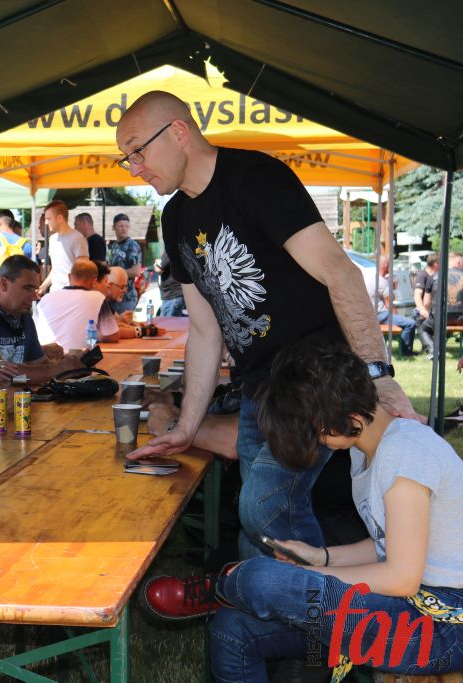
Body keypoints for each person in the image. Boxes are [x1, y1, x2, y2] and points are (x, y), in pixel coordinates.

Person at [117, 90, 417, 572]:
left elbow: (341, 273)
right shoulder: (175, 218)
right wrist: (187, 426)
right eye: (126, 157)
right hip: (258, 389)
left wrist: (377, 375)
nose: (133, 168)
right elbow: (204, 329)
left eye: (137, 151)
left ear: (178, 132)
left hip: (314, 379)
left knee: (265, 506)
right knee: (262, 518)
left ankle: (310, 605)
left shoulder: (257, 179)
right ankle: (271, 608)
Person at [149, 343, 463, 681]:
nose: (317, 440)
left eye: (316, 431)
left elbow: (402, 577)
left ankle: (223, 588)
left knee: (265, 578)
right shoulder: (367, 450)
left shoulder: (406, 454)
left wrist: (311, 577)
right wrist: (321, 556)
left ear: (351, 421)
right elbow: (388, 544)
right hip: (407, 611)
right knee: (233, 628)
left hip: (441, 627)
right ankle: (237, 589)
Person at [0, 255, 83, 383]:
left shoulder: (23, 317)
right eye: (27, 288)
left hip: (18, 394)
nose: (34, 297)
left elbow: (40, 364)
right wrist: (59, 369)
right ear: (4, 284)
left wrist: (71, 366)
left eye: (35, 289)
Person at [34, 260, 121, 349]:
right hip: (77, 356)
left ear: (69, 276)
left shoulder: (44, 299)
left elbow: (35, 333)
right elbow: (112, 335)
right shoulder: (98, 298)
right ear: (94, 281)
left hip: (46, 355)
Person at [364, 254, 416, 356]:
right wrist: (396, 317)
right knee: (410, 324)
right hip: (381, 315)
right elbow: (390, 306)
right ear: (386, 265)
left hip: (370, 315)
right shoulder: (382, 282)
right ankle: (406, 352)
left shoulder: (370, 278)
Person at [38, 199, 89, 294]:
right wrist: (43, 287)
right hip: (55, 292)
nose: (46, 222)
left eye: (49, 219)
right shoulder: (52, 239)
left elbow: (84, 269)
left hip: (72, 293)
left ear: (59, 218)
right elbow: (56, 269)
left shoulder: (78, 238)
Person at [106, 212, 142, 311]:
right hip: (112, 296)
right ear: (113, 227)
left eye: (126, 226)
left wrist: (115, 272)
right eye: (121, 226)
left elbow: (136, 271)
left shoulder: (133, 246)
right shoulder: (114, 246)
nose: (124, 229)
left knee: (125, 321)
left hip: (127, 297)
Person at [414, 252, 439, 357]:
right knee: (422, 323)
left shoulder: (436, 275)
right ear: (436, 264)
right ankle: (430, 349)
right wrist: (423, 310)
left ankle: (433, 348)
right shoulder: (422, 275)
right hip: (423, 310)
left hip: (434, 310)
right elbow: (417, 295)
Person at [155, 251, 186, 316]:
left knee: (169, 321)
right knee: (166, 321)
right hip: (170, 295)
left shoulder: (170, 251)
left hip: (173, 295)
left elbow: (159, 268)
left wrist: (156, 263)